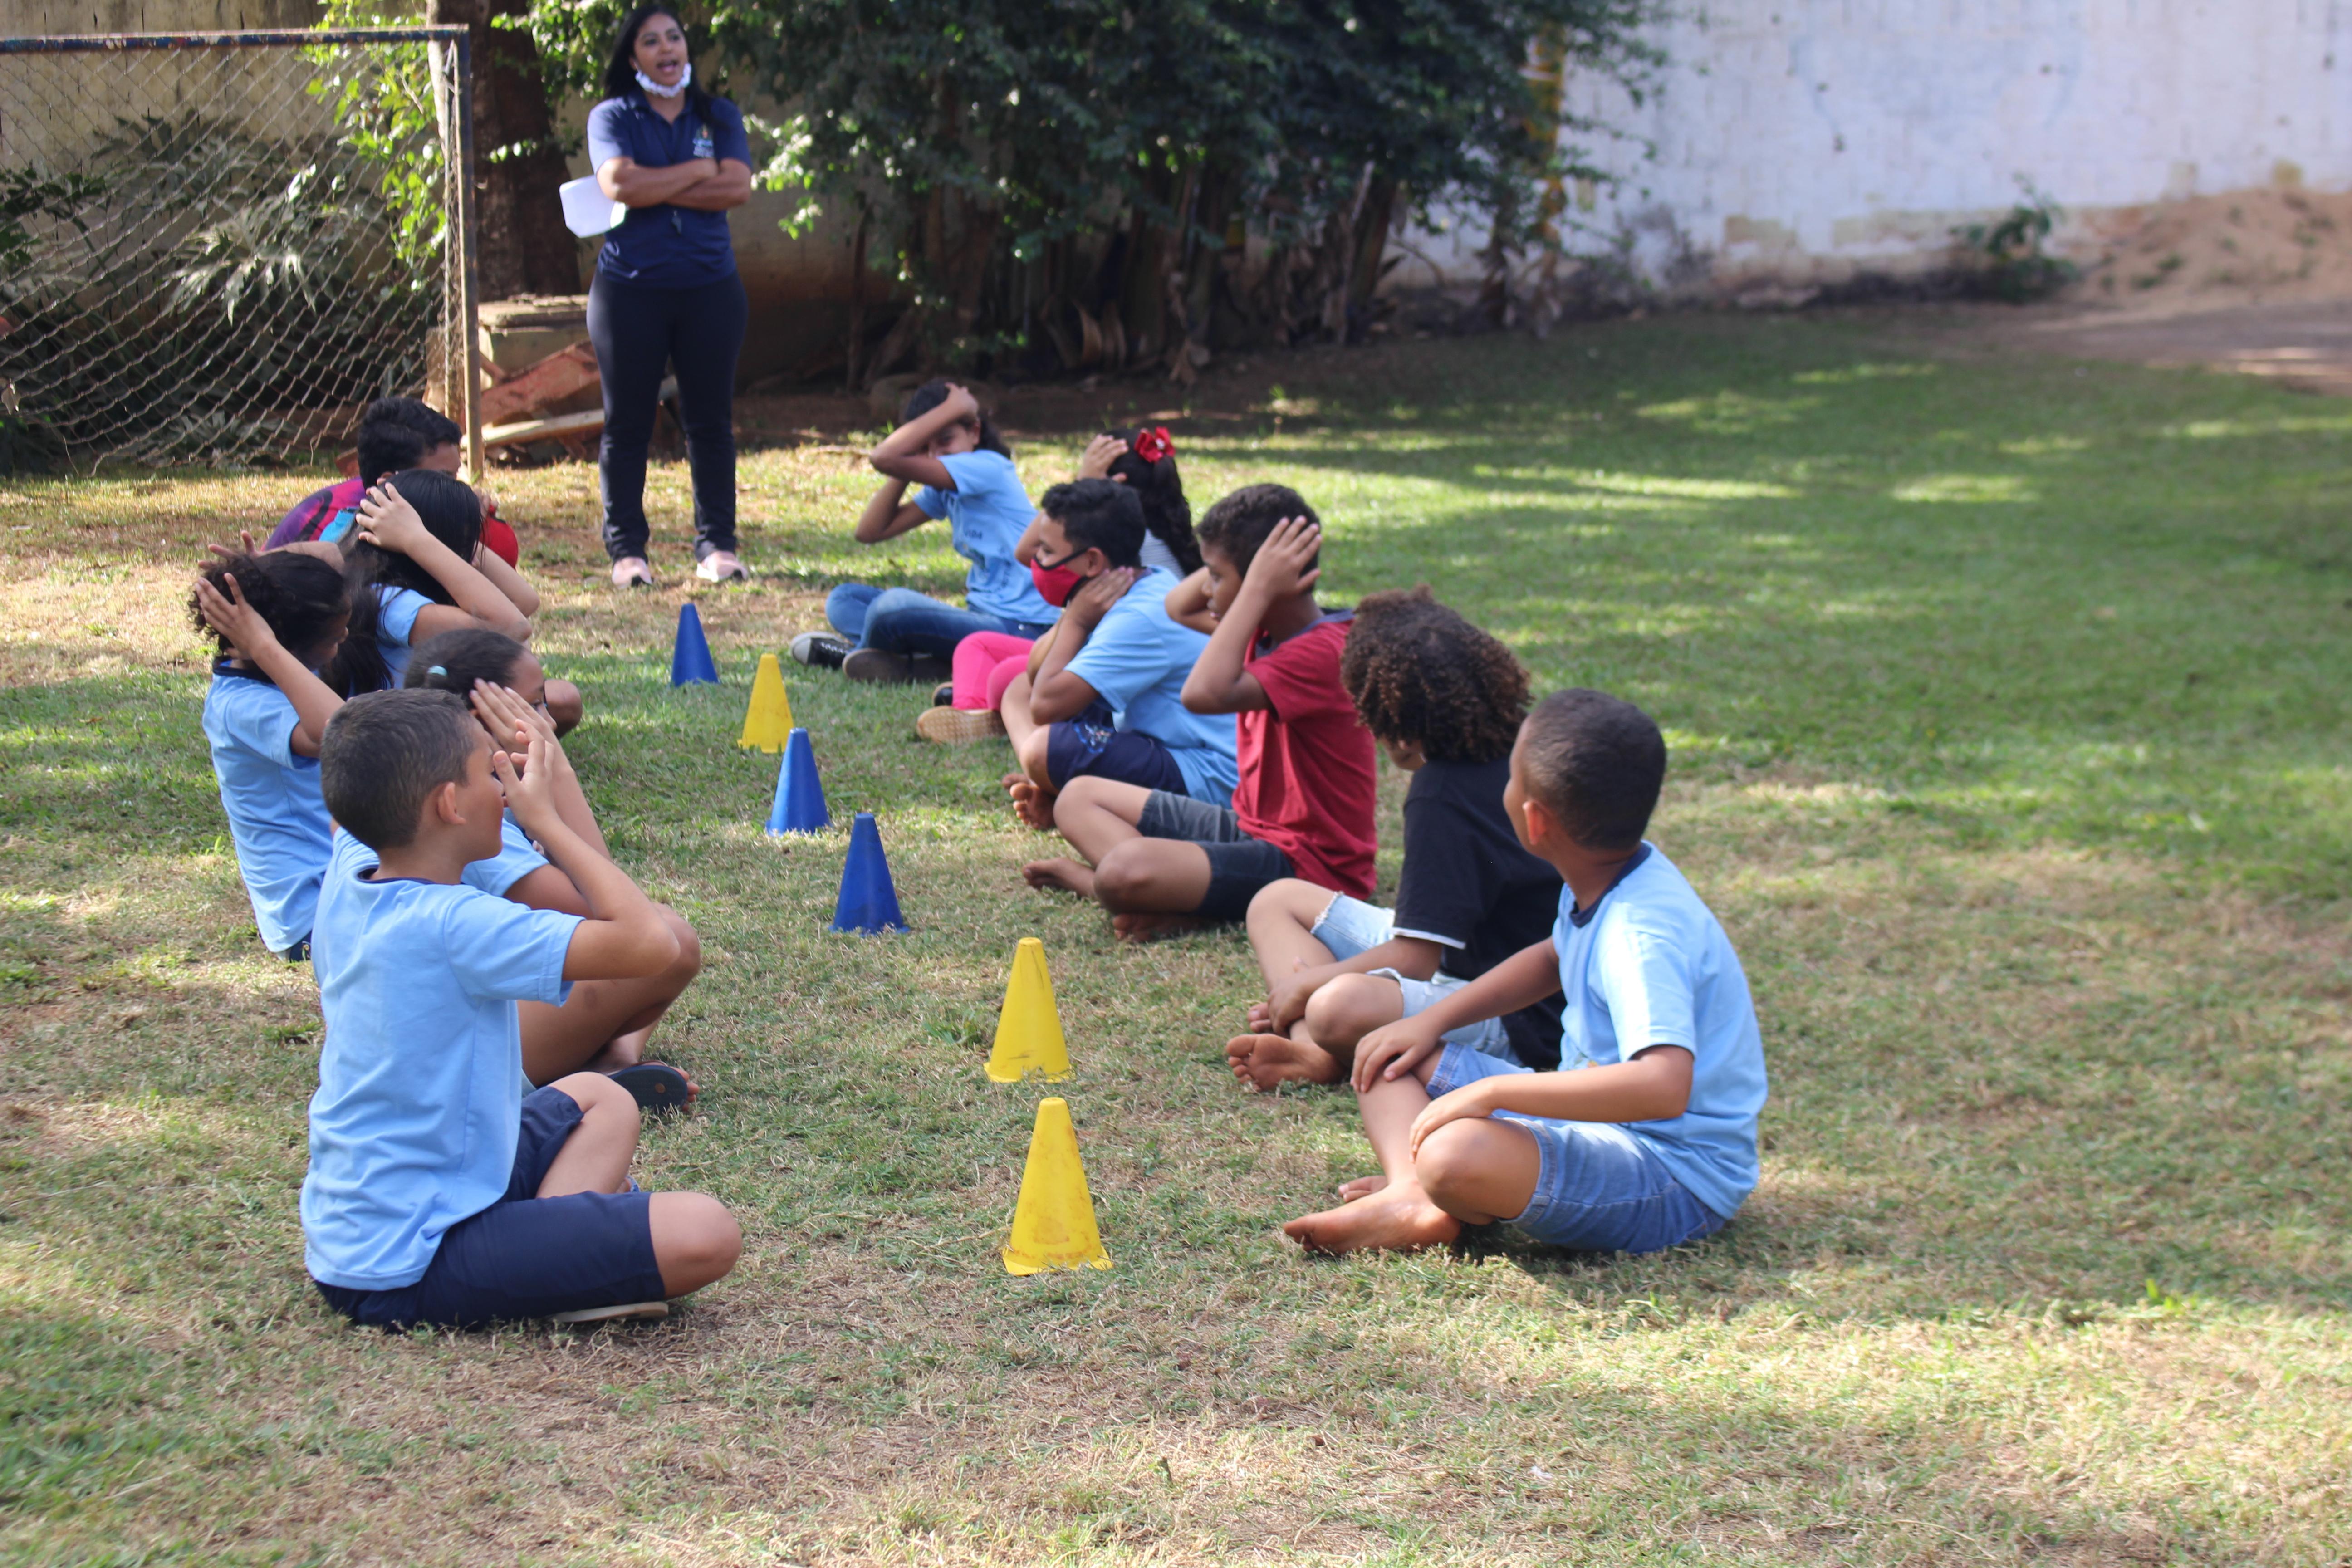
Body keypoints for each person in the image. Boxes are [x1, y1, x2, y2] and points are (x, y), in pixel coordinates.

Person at [303, 688, 740, 1328]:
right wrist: (548, 820)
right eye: (491, 772)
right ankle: (553, 1276)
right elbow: (653, 941)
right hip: (409, 1260)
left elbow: (354, 781)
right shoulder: (458, 926)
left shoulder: (354, 868)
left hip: (381, 1219)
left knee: (603, 1097)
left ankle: (551, 1253)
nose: (506, 790)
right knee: (709, 1231)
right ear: (449, 805)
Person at [1283, 689, 1768, 1258]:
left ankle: (1430, 1184)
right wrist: (1429, 1021)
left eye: (1510, 776)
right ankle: (1411, 1194)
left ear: (1535, 821)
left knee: (1455, 1156)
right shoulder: (1610, 874)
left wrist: (1493, 1091)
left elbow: (1662, 1086)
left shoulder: (1641, 934)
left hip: (1670, 1174)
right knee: (1388, 1054)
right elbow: (1552, 958)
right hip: (1592, 1125)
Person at [1226, 588, 1564, 1091]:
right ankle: (1313, 1049)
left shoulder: (1442, 795)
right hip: (1478, 962)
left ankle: (1322, 1044)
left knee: (1335, 1006)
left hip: (1519, 1015)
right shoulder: (1529, 738)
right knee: (1277, 901)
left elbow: (1415, 960)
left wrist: (1308, 982)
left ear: (1397, 728)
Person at [1020, 485, 1377, 941]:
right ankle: (1176, 894)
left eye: (1217, 576)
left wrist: (1257, 588)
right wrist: (1250, 586)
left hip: (1311, 866)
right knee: (1076, 798)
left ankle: (1128, 890)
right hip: (1251, 828)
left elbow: (1202, 693)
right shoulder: (1264, 628)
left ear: (1262, 586)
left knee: (1120, 873)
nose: (1207, 588)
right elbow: (1177, 604)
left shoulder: (1320, 652)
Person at [403, 629, 702, 1109]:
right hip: (458, 1073)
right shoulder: (467, 819)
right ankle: (605, 1061)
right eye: (535, 706)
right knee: (671, 940)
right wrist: (556, 770)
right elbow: (616, 916)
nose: (549, 720)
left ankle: (610, 1058)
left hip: (437, 1040)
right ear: (487, 720)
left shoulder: (411, 788)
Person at [587, 3, 754, 588]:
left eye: (674, 38)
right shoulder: (613, 115)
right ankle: (628, 553)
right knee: (628, 424)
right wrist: (697, 171)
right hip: (630, 291)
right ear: (632, 57)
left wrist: (659, 185)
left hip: (711, 289)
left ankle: (718, 547)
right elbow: (618, 183)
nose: (666, 49)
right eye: (651, 42)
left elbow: (737, 185)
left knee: (710, 423)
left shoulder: (720, 113)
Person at [921, 425, 1205, 744]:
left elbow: (1024, 552)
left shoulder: (1134, 554)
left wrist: (1080, 485)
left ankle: (989, 717)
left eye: (1088, 487)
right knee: (995, 663)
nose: (1041, 558)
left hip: (1120, 681)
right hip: (1095, 654)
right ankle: (975, 708)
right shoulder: (1129, 556)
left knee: (1011, 680)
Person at [985, 479, 1236, 826]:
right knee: (1018, 690)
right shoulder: (1140, 581)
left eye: (1046, 550)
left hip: (1205, 770)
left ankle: (1053, 790)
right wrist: (1075, 615)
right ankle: (1046, 786)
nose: (1037, 560)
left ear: (1091, 562)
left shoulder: (1138, 617)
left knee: (1042, 749)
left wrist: (1075, 620)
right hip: (1159, 738)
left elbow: (1045, 708)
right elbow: (1034, 673)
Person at [791, 380, 1055, 684]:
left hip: (1023, 630)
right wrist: (908, 466)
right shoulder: (945, 489)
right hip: (981, 621)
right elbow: (870, 531)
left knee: (892, 607)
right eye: (924, 449)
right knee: (844, 599)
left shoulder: (987, 468)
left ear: (975, 432)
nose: (935, 457)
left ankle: (857, 656)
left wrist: (955, 408)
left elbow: (884, 457)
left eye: (945, 440)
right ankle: (927, 663)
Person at [190, 549, 351, 963]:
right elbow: (345, 733)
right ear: (283, 642)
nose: (345, 640)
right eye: (334, 638)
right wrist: (264, 644)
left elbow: (335, 555)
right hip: (312, 919)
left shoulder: (283, 669)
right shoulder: (240, 706)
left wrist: (266, 566)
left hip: (340, 887)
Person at [321, 470, 531, 696]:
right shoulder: (387, 602)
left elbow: (525, 601)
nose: (474, 560)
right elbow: (513, 627)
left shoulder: (375, 584)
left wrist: (438, 531)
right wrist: (416, 538)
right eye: (461, 546)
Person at [265, 398, 519, 568]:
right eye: (445, 479)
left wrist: (469, 527)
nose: (460, 490)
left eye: (456, 477)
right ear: (389, 484)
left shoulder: (413, 515)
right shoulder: (340, 532)